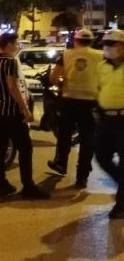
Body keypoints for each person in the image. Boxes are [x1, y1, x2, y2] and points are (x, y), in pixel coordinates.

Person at [0, 32, 49, 199]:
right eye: (16, 43)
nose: (17, 46)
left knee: (0, 147)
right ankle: (28, 186)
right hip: (11, 112)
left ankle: (2, 183)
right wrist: (25, 109)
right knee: (25, 148)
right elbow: (12, 87)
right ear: (9, 45)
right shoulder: (10, 62)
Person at [46, 28, 103, 187]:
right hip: (91, 103)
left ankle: (61, 163)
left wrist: (61, 83)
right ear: (92, 42)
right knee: (87, 140)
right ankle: (82, 176)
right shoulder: (101, 56)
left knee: (64, 135)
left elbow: (53, 78)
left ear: (75, 41)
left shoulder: (66, 55)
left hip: (69, 101)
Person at [95, 29, 124, 219]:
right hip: (106, 120)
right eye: (105, 44)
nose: (106, 47)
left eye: (111, 44)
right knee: (101, 156)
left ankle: (121, 205)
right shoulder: (101, 66)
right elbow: (99, 89)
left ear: (122, 46)